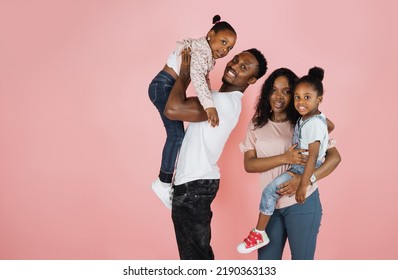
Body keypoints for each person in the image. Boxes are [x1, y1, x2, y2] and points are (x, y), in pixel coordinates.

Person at [164, 48, 268, 259]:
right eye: (236, 60)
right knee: (197, 257)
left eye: (243, 68)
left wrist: (184, 74)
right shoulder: (217, 97)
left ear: (252, 79)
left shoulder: (223, 103)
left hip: (194, 186)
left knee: (195, 260)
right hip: (195, 184)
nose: (233, 66)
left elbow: (173, 109)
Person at [237, 68, 341, 259]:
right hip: (270, 208)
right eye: (274, 90)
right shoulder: (256, 124)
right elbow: (249, 165)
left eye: (286, 91)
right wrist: (285, 158)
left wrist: (305, 180)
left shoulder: (305, 121)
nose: (279, 96)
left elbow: (334, 158)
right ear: (267, 93)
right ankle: (258, 233)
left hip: (302, 202)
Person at [148, 15, 237, 209]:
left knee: (177, 135)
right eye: (223, 42)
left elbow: (203, 78)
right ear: (210, 34)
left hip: (167, 87)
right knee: (176, 135)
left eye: (229, 48)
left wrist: (210, 99)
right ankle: (163, 183)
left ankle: (164, 181)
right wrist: (209, 105)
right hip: (162, 87)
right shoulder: (199, 51)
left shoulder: (206, 54)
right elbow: (195, 76)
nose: (224, 50)